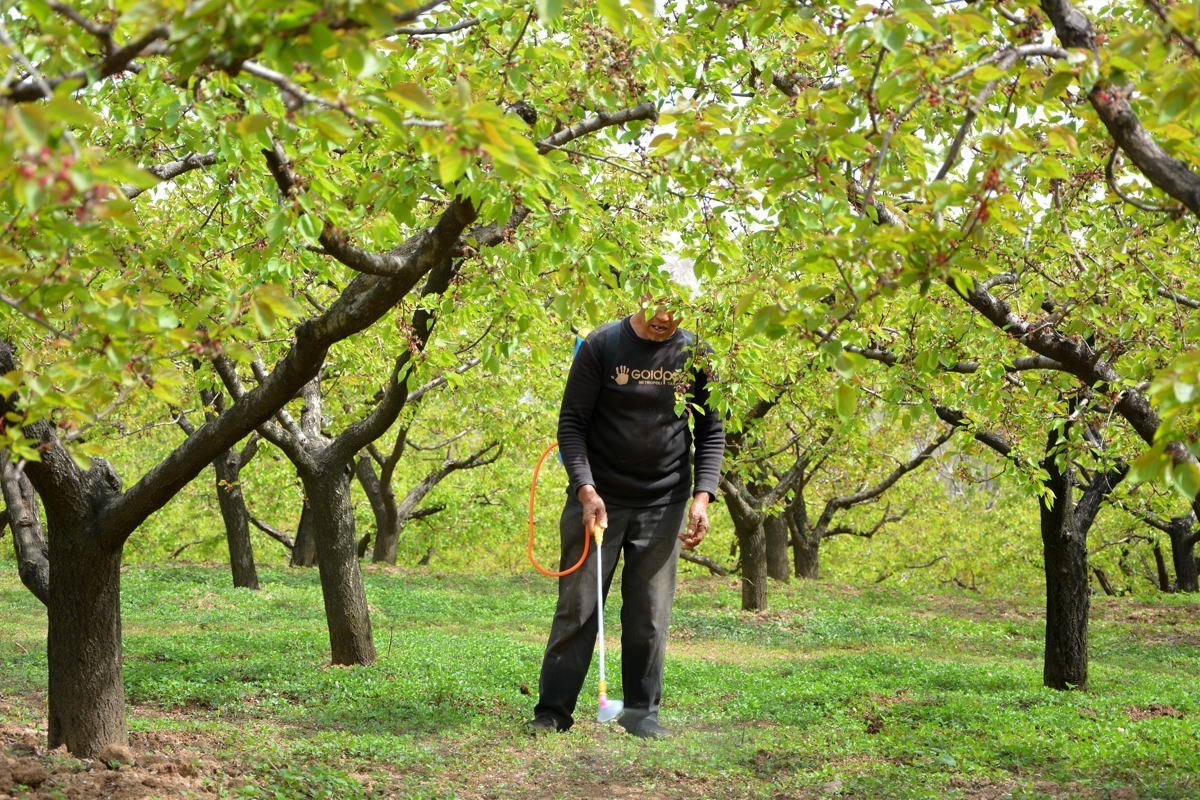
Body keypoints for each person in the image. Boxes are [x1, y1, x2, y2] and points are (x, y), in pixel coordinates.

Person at [527, 297, 726, 738]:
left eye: (676, 311)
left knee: (648, 614)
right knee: (578, 608)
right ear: (640, 295)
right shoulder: (602, 345)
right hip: (599, 501)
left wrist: (702, 498)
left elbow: (711, 431)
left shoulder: (697, 356)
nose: (664, 319)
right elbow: (572, 424)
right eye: (657, 306)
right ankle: (552, 713)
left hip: (664, 503)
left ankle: (641, 715)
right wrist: (586, 490)